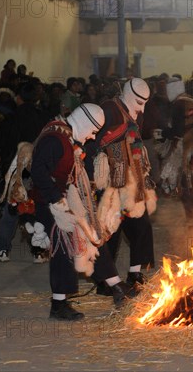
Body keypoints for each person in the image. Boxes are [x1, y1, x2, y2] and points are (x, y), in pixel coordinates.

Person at [31, 103, 116, 320]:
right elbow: (38, 171)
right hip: (49, 202)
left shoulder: (65, 136)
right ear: (84, 123)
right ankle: (59, 304)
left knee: (90, 234)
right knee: (64, 247)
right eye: (93, 131)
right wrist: (57, 201)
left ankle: (114, 284)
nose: (91, 137)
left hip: (61, 197)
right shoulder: (56, 140)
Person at [92, 78, 156, 294]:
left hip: (132, 177)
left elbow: (137, 141)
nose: (142, 108)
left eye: (145, 102)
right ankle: (105, 281)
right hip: (109, 178)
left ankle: (135, 273)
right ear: (128, 94)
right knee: (110, 229)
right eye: (139, 102)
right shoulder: (108, 109)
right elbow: (94, 141)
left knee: (141, 225)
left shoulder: (137, 113)